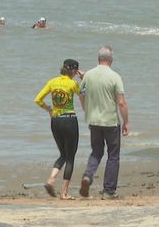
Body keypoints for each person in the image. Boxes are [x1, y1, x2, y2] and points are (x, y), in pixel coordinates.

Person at [79, 46, 129, 200]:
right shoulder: (115, 77)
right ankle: (108, 191)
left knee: (96, 151)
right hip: (111, 121)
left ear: (98, 59)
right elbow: (121, 103)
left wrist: (86, 109)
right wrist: (126, 122)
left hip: (94, 120)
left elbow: (81, 94)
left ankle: (88, 175)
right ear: (111, 60)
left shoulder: (88, 75)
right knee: (113, 155)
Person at [34, 59, 84, 200]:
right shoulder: (73, 83)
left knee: (63, 154)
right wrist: (84, 79)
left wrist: (49, 109)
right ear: (74, 71)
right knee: (70, 157)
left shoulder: (52, 82)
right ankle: (64, 193)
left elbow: (37, 99)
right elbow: (83, 94)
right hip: (69, 120)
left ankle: (51, 179)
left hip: (55, 121)